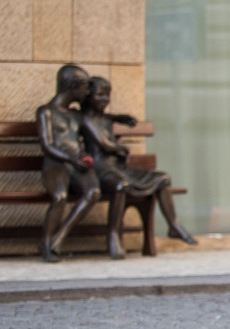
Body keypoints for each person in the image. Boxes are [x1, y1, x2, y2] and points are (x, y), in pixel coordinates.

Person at [80, 76, 198, 251]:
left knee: (163, 178)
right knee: (121, 185)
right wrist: (122, 148)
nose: (104, 99)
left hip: (118, 168)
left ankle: (174, 225)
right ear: (88, 96)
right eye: (99, 95)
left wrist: (121, 118)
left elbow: (109, 119)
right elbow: (105, 144)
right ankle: (113, 235)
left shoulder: (105, 119)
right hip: (101, 171)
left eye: (107, 95)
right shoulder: (87, 120)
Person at [35, 64, 101, 261]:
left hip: (78, 165)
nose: (88, 92)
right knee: (59, 196)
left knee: (93, 192)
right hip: (56, 164)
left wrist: (119, 118)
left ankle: (59, 237)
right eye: (85, 87)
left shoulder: (76, 115)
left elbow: (98, 122)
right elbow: (47, 145)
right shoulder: (45, 111)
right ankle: (47, 243)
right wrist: (71, 158)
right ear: (73, 86)